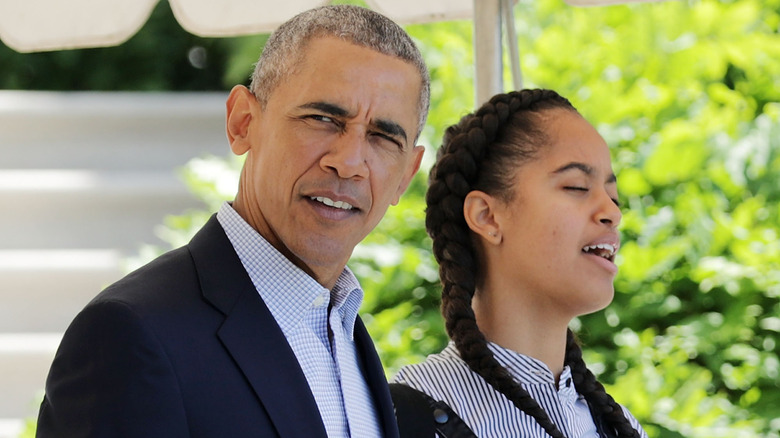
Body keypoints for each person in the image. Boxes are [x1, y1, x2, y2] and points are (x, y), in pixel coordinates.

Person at [37, 5, 428, 437]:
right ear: (243, 122)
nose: (350, 162)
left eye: (382, 137)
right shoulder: (130, 335)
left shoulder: (344, 331)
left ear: (405, 176)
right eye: (322, 119)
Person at [391, 89, 647, 438]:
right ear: (488, 217)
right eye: (576, 187)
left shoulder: (617, 426)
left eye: (613, 196)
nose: (613, 213)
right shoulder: (407, 417)